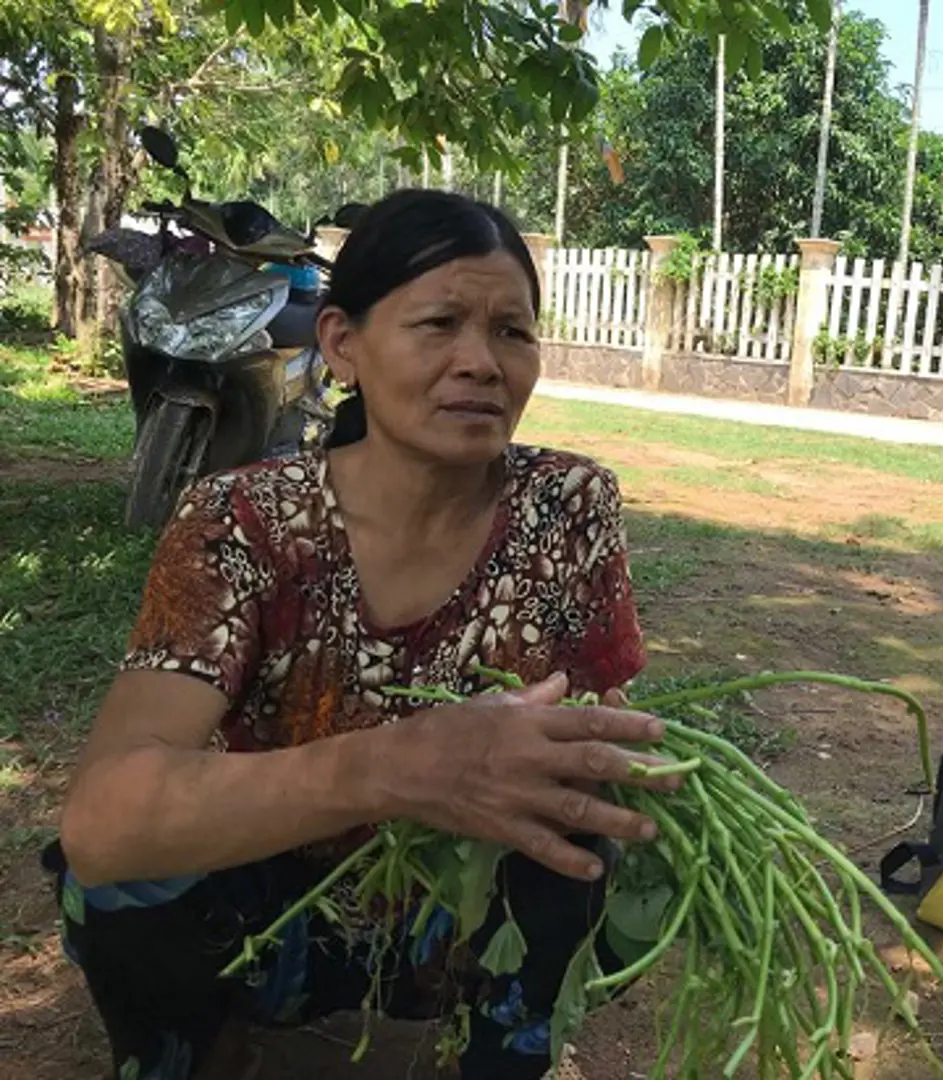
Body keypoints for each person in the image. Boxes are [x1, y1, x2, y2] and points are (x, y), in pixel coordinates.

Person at [49, 190, 676, 1080]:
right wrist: (395, 767)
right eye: (439, 323)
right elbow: (103, 825)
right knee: (124, 883)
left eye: (511, 331)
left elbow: (596, 728)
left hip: (445, 919)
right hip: (264, 908)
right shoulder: (245, 521)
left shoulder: (566, 507)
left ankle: (503, 1052)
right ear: (343, 345)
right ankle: (200, 1043)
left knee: (582, 843)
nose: (481, 363)